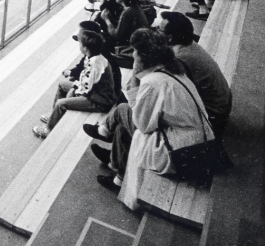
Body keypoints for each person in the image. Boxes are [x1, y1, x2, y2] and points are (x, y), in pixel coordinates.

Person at [90, 29, 213, 205]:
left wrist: (135, 76)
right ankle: (116, 170)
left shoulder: (152, 82)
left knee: (124, 112)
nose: (132, 54)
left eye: (135, 51)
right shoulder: (174, 70)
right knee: (122, 124)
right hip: (200, 142)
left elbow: (142, 125)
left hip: (180, 153)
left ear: (144, 56)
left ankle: (105, 136)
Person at [158, 12, 232, 136]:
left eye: (159, 30)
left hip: (213, 116)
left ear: (170, 37)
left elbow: (171, 94)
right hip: (222, 107)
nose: (155, 33)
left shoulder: (179, 58)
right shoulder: (190, 45)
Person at [33, 31, 116, 139]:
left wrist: (74, 90)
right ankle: (54, 115)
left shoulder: (95, 64)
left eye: (80, 43)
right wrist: (75, 86)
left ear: (85, 48)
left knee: (60, 103)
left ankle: (48, 130)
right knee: (62, 85)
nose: (79, 45)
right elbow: (85, 82)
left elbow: (86, 90)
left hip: (100, 101)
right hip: (94, 93)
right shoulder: (94, 57)